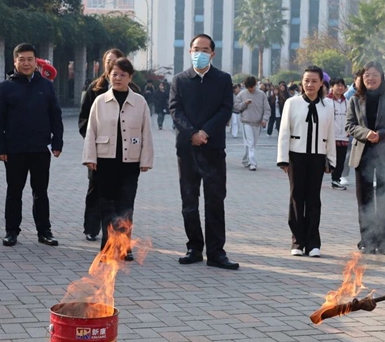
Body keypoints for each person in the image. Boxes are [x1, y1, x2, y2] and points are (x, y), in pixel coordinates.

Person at [169, 33, 239, 270]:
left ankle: (217, 253)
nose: (200, 53)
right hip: (187, 150)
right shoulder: (180, 80)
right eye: (196, 49)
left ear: (212, 53)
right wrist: (192, 134)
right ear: (190, 52)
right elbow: (175, 110)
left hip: (213, 149)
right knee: (189, 200)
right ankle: (194, 248)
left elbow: (225, 109)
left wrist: (205, 132)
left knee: (215, 200)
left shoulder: (222, 79)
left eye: (205, 49)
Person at [0, 43, 63, 247]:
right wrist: (0, 148)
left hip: (41, 148)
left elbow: (55, 116)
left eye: (29, 59)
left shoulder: (46, 85)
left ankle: (44, 231)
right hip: (14, 150)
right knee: (14, 191)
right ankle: (11, 231)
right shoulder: (6, 87)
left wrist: (57, 141)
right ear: (15, 61)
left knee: (41, 192)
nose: (26, 63)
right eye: (21, 59)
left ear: (36, 61)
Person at [82, 58, 154, 258]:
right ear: (108, 76)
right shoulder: (100, 101)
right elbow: (91, 130)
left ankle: (124, 247)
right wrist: (90, 157)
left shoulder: (139, 102)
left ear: (130, 77)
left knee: (126, 205)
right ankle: (107, 246)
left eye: (123, 74)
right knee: (107, 204)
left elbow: (146, 131)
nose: (118, 78)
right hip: (105, 161)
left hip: (130, 163)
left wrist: (146, 159)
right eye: (114, 74)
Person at [79, 48, 139, 241]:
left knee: (124, 200)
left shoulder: (135, 94)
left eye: (115, 62)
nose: (111, 67)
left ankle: (121, 241)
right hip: (101, 152)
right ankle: (92, 228)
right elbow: (86, 123)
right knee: (96, 194)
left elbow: (144, 129)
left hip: (126, 157)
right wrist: (93, 146)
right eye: (108, 62)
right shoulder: (95, 89)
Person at [277, 66, 337, 257]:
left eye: (314, 81)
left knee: (313, 199)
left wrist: (331, 160)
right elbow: (284, 131)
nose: (309, 84)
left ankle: (313, 243)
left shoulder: (328, 106)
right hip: (296, 155)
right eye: (306, 80)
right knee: (296, 197)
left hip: (317, 156)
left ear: (321, 83)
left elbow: (331, 134)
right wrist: (283, 159)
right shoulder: (292, 103)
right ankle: (297, 241)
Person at [346, 61, 385, 255]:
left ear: (382, 77)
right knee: (364, 199)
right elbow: (350, 126)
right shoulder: (355, 100)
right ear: (362, 78)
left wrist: (381, 134)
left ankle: (384, 240)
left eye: (374, 74)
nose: (370, 78)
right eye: (367, 75)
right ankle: (367, 239)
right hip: (362, 156)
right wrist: (365, 133)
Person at [233, 75, 270, 171]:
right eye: (249, 87)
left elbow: (267, 109)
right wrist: (245, 103)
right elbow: (236, 107)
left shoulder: (262, 94)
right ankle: (253, 163)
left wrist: (265, 119)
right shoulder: (241, 94)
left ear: (255, 85)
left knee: (251, 144)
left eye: (252, 87)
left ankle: (245, 160)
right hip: (246, 123)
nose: (251, 89)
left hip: (258, 123)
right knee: (250, 143)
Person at [328, 77, 350, 190]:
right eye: (338, 85)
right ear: (332, 86)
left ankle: (336, 180)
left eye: (342, 85)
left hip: (344, 136)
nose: (340, 88)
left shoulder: (347, 102)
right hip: (330, 136)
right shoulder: (326, 101)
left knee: (340, 160)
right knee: (328, 159)